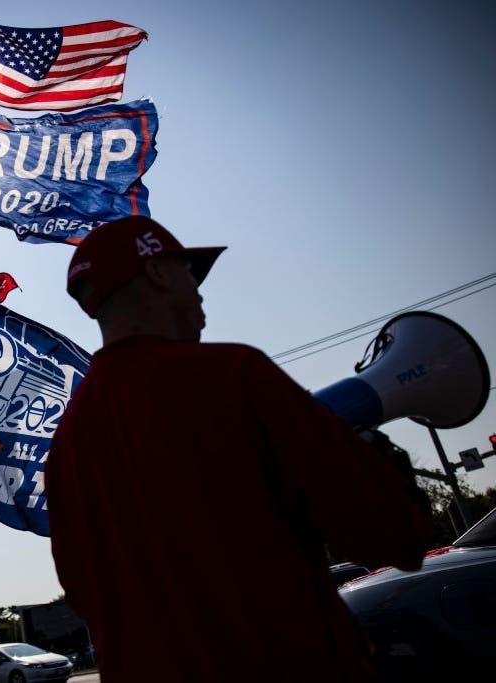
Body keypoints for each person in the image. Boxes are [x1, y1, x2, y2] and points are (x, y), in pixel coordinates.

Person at [45, 216, 432, 682]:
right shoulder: (236, 373)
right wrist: (383, 462)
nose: (199, 290)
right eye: (190, 271)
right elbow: (391, 538)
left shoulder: (64, 447)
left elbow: (84, 595)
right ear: (157, 273)